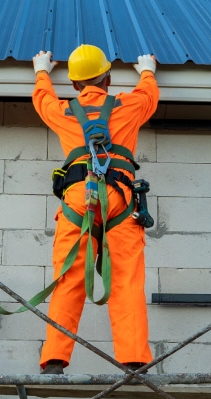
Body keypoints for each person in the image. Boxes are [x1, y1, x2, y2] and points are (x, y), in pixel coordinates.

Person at [31, 44, 159, 374]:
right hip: (121, 197)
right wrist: (147, 70)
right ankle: (134, 360)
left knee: (69, 276)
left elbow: (42, 101)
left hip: (79, 199)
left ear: (74, 85)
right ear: (108, 78)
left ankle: (55, 360)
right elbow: (148, 95)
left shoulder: (63, 111)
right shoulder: (128, 106)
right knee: (126, 278)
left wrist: (42, 71)